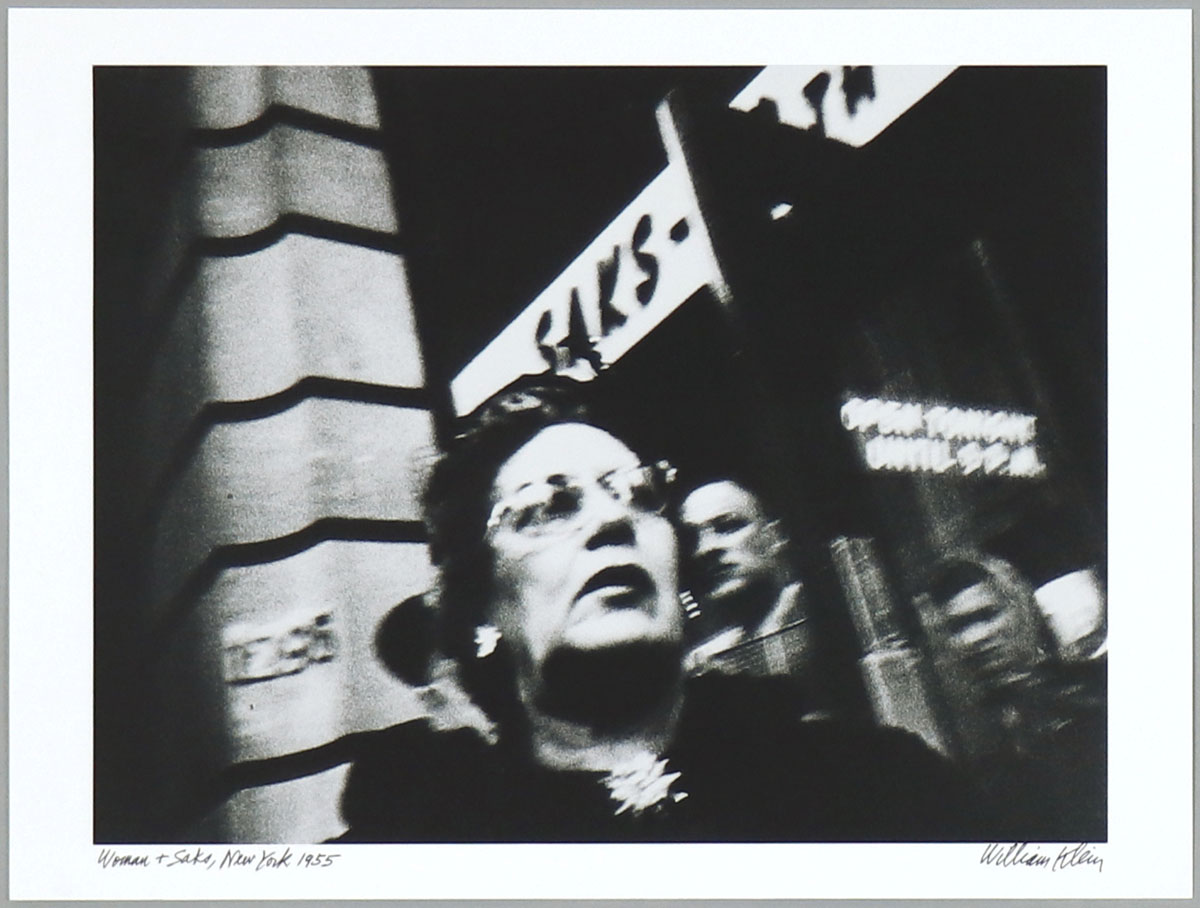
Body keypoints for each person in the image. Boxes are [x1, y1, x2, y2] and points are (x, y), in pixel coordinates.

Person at [336, 375, 986, 842]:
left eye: (636, 492)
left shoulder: (872, 789)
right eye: (548, 507)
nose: (612, 518)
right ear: (480, 609)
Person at [922, 555, 1106, 841]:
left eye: (986, 615)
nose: (975, 638)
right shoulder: (979, 751)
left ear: (1022, 612)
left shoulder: (1092, 709)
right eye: (957, 627)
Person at [678, 479, 810, 677]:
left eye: (728, 526)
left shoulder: (832, 616)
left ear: (774, 536)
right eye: (692, 539)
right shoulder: (704, 664)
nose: (705, 549)